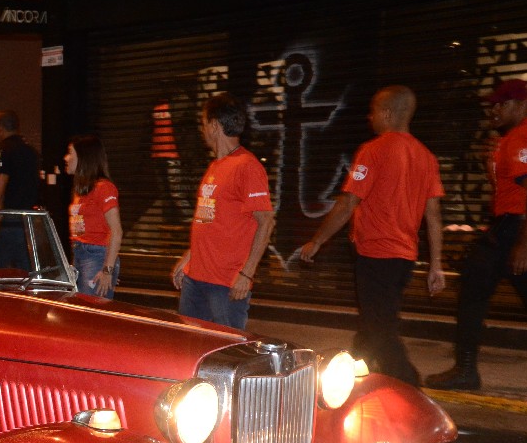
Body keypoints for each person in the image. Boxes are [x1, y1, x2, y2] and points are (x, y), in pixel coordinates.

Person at [425, 79, 527, 397]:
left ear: (521, 105)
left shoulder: (522, 136)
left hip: (520, 226)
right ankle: (464, 369)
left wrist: (526, 241)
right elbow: (514, 188)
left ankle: (465, 370)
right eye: (493, 105)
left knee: (473, 288)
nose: (494, 111)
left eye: (502, 105)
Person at [299, 85, 444, 386]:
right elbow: (433, 216)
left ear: (388, 113)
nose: (370, 117)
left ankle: (408, 384)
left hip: (376, 255)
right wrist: (436, 265)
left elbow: (348, 202)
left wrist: (318, 240)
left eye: (374, 111)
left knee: (381, 329)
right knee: (373, 322)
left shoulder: (373, 150)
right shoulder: (426, 157)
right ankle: (352, 374)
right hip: (404, 258)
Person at [171, 93, 275, 329]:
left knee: (225, 353)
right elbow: (209, 221)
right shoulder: (215, 166)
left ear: (215, 126)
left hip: (226, 284)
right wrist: (188, 258)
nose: (202, 130)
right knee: (188, 348)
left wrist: (247, 274)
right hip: (195, 280)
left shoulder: (247, 167)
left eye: (203, 123)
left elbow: (266, 222)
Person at [0, 110, 41, 270]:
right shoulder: (32, 152)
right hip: (29, 222)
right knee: (28, 273)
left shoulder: (2, 152)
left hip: (9, 223)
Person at [65, 134, 122, 298]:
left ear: (83, 157)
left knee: (90, 314)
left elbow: (116, 231)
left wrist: (108, 269)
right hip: (80, 253)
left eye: (70, 152)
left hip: (96, 256)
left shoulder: (104, 188)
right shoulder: (81, 190)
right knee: (81, 311)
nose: (66, 157)